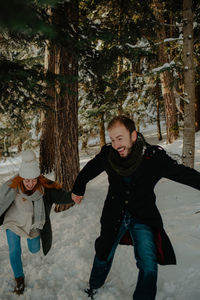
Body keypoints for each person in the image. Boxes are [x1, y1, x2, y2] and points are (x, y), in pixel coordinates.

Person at [72, 115, 200, 300]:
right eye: (113, 140)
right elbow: (89, 169)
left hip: (143, 216)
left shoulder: (153, 157)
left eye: (120, 138)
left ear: (133, 135)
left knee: (148, 263)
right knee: (103, 254)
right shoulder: (108, 155)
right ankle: (93, 286)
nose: (116, 144)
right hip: (114, 215)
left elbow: (183, 174)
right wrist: (78, 188)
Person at [0, 149, 74, 295]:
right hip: (13, 222)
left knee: (34, 249)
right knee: (14, 251)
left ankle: (31, 242)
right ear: (21, 178)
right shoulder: (13, 186)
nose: (30, 183)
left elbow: (61, 196)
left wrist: (74, 196)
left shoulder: (43, 187)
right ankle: (19, 279)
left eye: (33, 180)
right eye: (27, 180)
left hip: (33, 224)